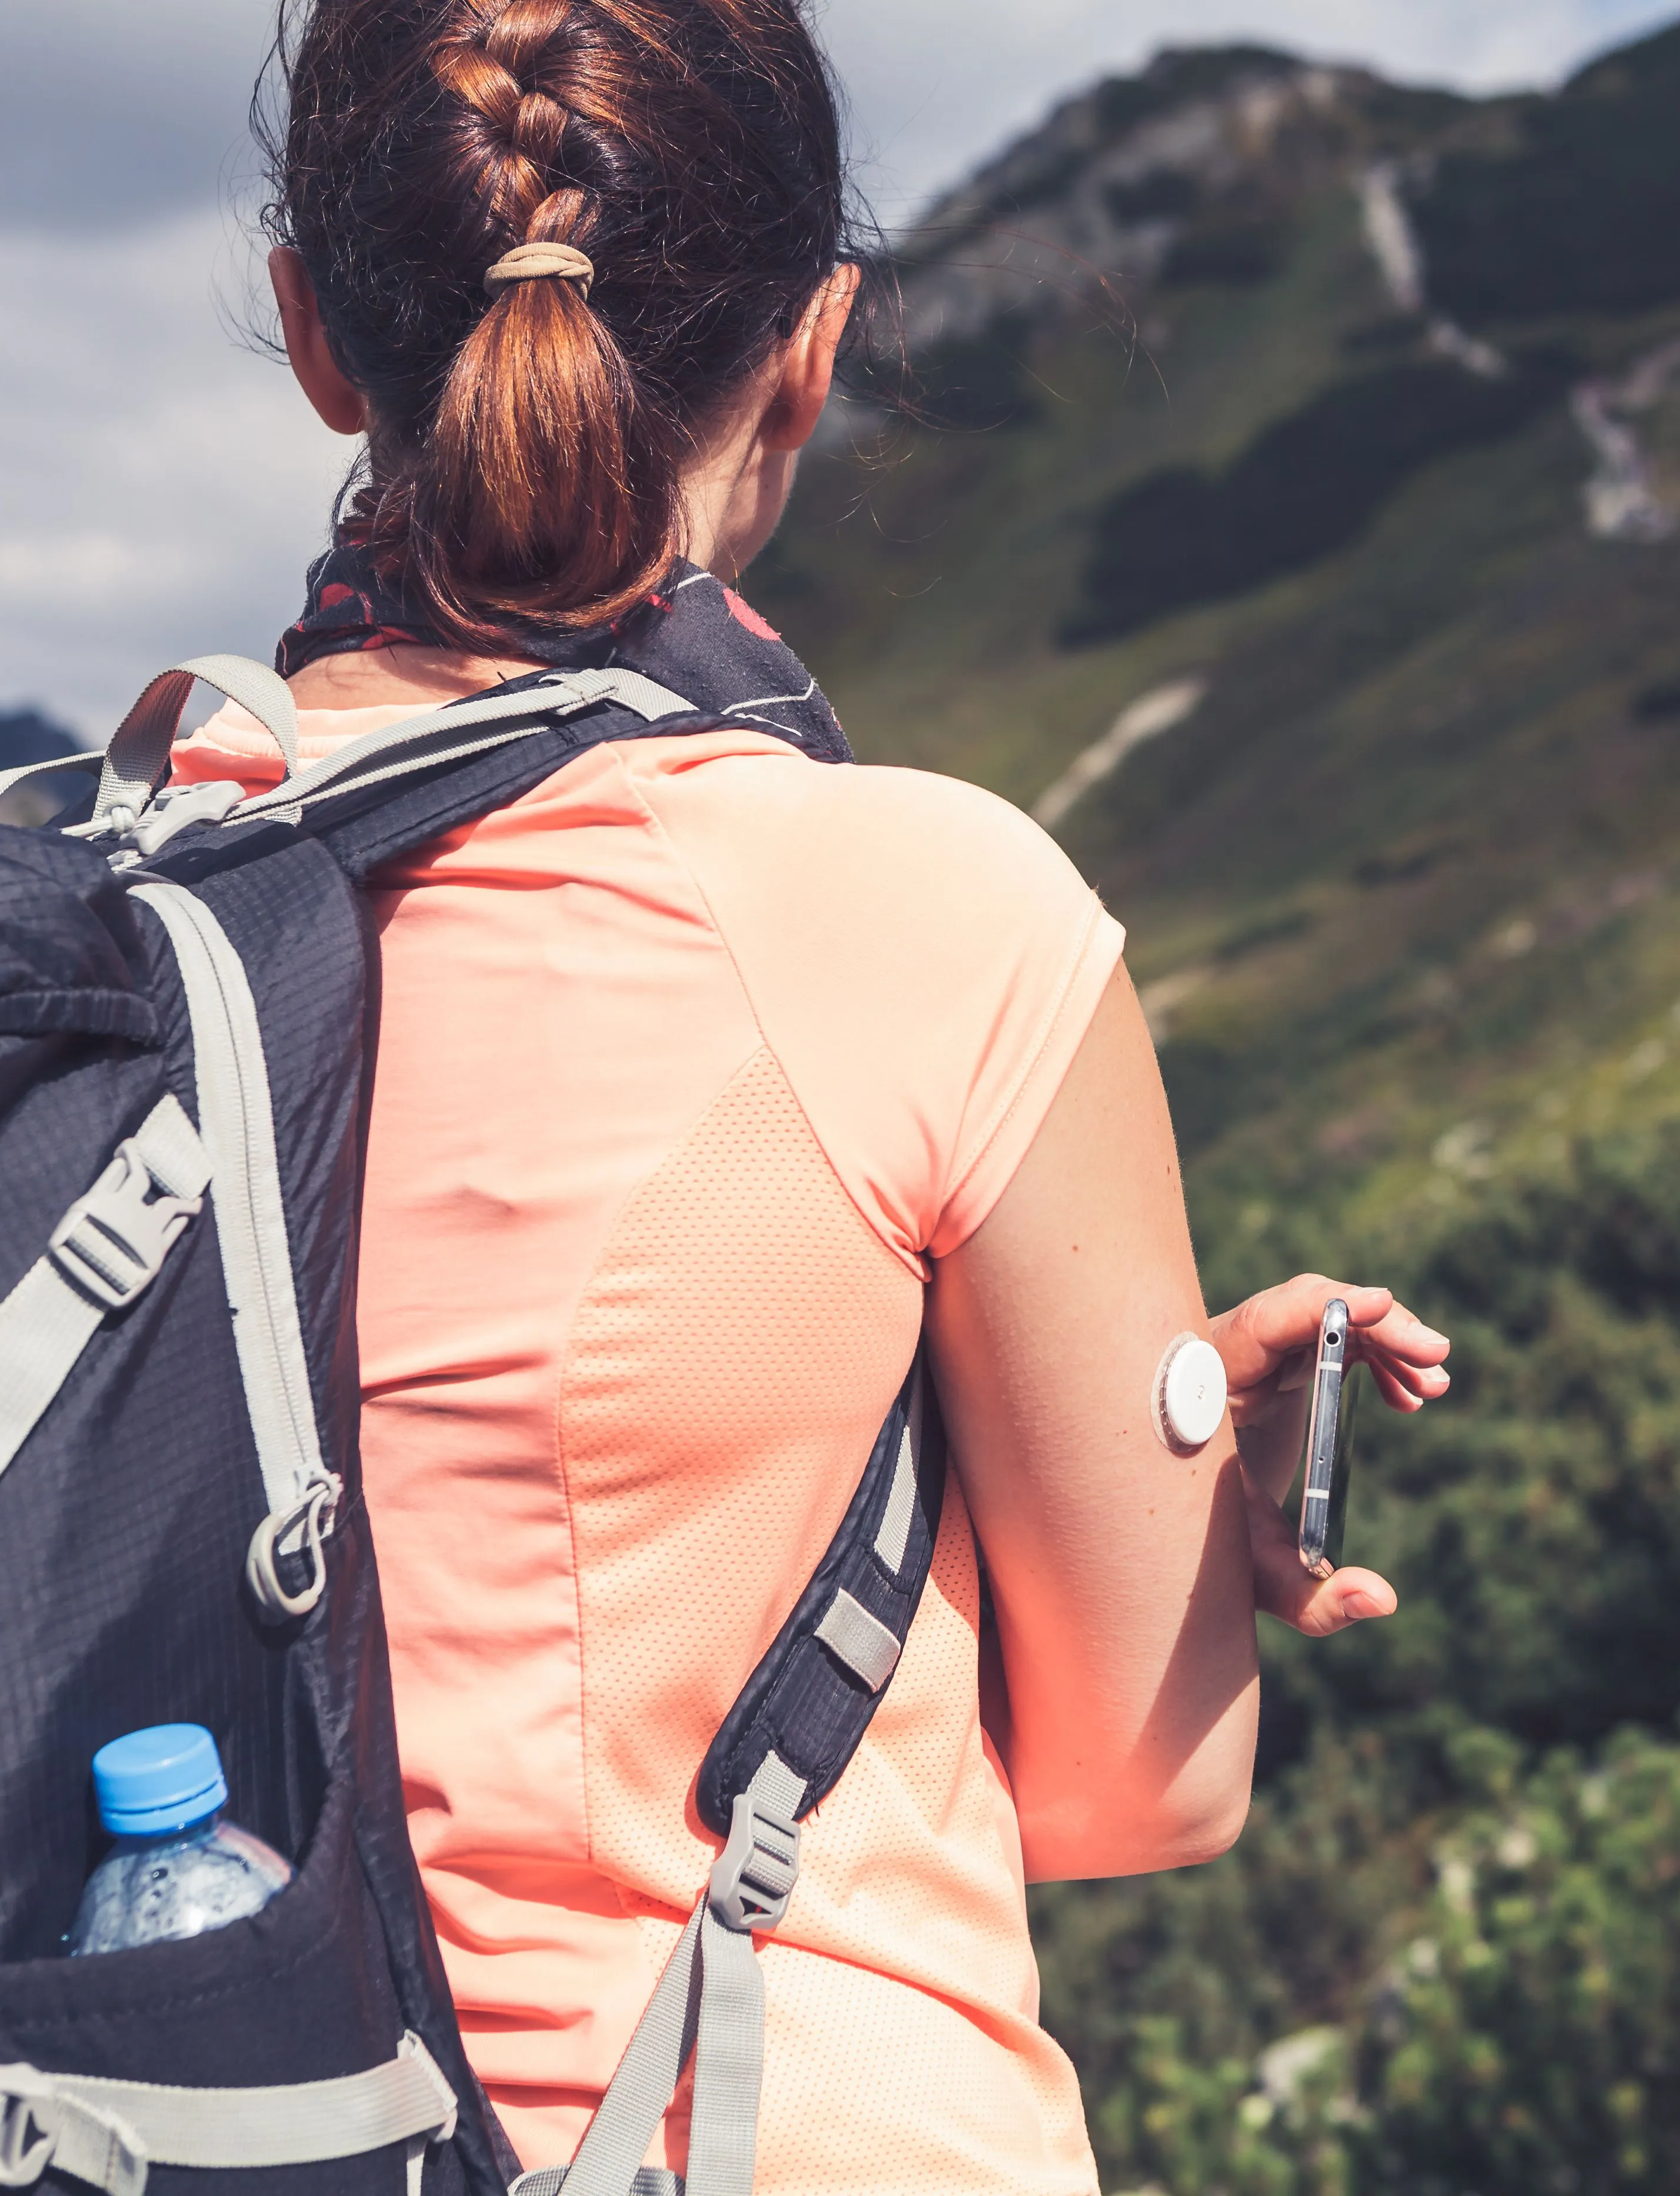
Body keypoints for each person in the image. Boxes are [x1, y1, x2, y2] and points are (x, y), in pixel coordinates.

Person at [174, 1, 1455, 2187]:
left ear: (310, 330)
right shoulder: (926, 910)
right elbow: (1144, 1795)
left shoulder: (59, 916)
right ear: (812, 344)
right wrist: (1126, 1505)